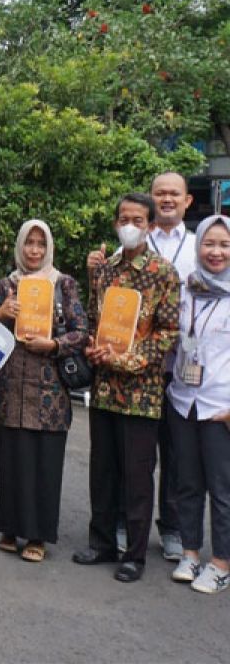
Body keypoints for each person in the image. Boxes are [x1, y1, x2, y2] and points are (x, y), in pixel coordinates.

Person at [73, 193, 180, 583]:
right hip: (104, 388)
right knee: (102, 470)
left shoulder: (164, 273)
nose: (129, 224)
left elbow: (168, 333)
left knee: (137, 475)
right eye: (123, 218)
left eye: (137, 218)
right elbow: (92, 318)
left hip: (142, 392)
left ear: (151, 225)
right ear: (117, 224)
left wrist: (126, 358)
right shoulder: (104, 270)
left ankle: (134, 554)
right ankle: (101, 542)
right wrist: (91, 346)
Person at [0, 220, 89, 562]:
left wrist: (54, 343)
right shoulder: (8, 284)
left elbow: (82, 332)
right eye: (29, 243)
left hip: (50, 391)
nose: (34, 250)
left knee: (44, 464)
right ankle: (10, 528)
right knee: (12, 459)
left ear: (48, 248)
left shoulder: (64, 284)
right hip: (12, 388)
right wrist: (1, 314)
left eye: (40, 244)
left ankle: (37, 537)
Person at [166, 215, 230, 595]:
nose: (216, 252)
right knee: (186, 484)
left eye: (224, 245)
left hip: (220, 407)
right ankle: (190, 553)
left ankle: (221, 562)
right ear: (198, 247)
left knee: (222, 491)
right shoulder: (186, 290)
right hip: (183, 401)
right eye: (210, 243)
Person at [147, 172, 197, 562]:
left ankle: (173, 529)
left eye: (173, 194)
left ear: (187, 201)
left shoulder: (202, 246)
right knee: (137, 454)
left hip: (184, 366)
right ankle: (128, 525)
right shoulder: (133, 242)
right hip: (139, 366)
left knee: (178, 455)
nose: (166, 199)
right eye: (160, 193)